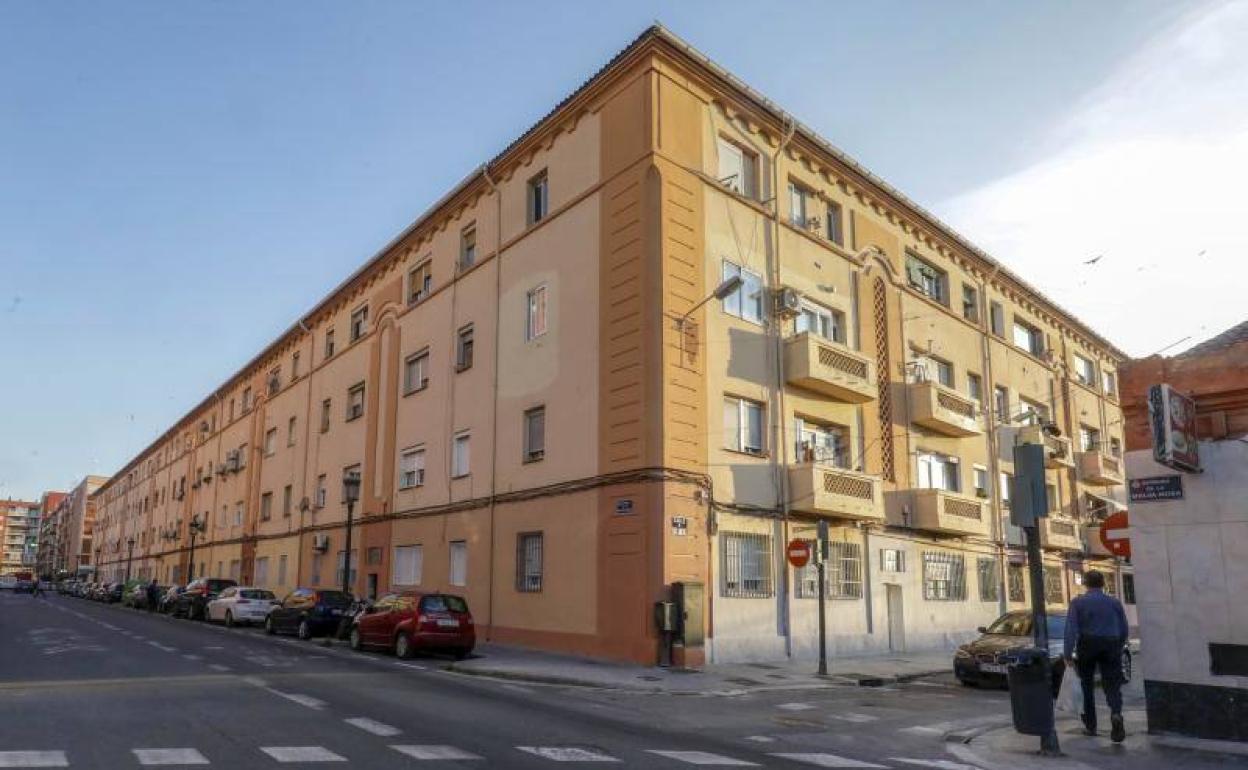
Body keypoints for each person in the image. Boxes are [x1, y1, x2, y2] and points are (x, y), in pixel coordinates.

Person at [1064, 570, 1129, 742]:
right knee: (1112, 683)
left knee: (1087, 685)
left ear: (1085, 584)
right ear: (1103, 584)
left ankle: (1091, 726)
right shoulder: (1114, 603)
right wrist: (1119, 645)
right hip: (1111, 643)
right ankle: (1116, 713)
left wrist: (1067, 653)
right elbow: (1124, 628)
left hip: (1088, 644)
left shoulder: (1078, 603)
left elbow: (1071, 629)